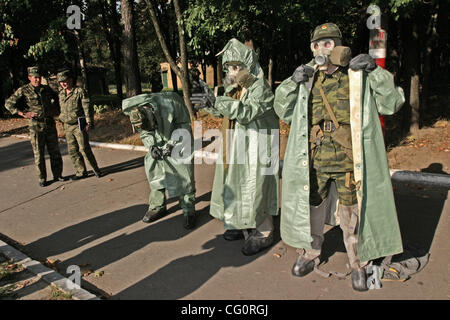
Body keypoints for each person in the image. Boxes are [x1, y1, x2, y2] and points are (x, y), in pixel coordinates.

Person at [274, 23, 405, 291]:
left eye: (328, 44)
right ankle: (310, 253)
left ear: (339, 46)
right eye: (317, 45)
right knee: (313, 208)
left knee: (352, 213)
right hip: (314, 159)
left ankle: (358, 263)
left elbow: (391, 103)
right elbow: (282, 109)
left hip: (349, 159)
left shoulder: (356, 76)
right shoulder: (306, 79)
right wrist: (291, 81)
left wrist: (375, 71)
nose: (321, 50)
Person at [191, 38, 279, 256]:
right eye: (230, 67)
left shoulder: (260, 87)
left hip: (258, 146)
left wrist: (216, 102)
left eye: (237, 66)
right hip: (236, 144)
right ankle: (239, 223)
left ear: (249, 66)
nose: (233, 71)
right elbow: (226, 112)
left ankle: (264, 232)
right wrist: (210, 104)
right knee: (235, 183)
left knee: (258, 187)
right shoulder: (234, 88)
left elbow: (246, 111)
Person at [122, 92, 197, 229]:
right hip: (157, 141)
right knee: (155, 172)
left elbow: (184, 125)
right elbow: (145, 132)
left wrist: (171, 143)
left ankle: (188, 211)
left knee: (184, 176)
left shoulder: (173, 102)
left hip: (179, 141)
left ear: (151, 112)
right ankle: (157, 206)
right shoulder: (138, 110)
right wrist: (151, 146)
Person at [5, 66, 64, 187]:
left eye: (39, 77)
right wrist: (23, 114)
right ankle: (42, 178)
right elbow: (8, 104)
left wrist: (55, 109)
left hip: (49, 123)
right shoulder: (24, 90)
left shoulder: (46, 89)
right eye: (35, 78)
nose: (37, 80)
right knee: (39, 154)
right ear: (29, 78)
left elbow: (57, 98)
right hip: (36, 125)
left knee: (55, 152)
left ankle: (58, 174)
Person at [57, 69, 102, 180]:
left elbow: (87, 107)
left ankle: (96, 169)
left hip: (78, 124)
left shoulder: (79, 91)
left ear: (70, 80)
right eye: (61, 82)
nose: (63, 83)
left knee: (84, 149)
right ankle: (81, 172)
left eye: (65, 80)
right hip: (67, 126)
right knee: (73, 151)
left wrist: (89, 122)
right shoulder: (61, 94)